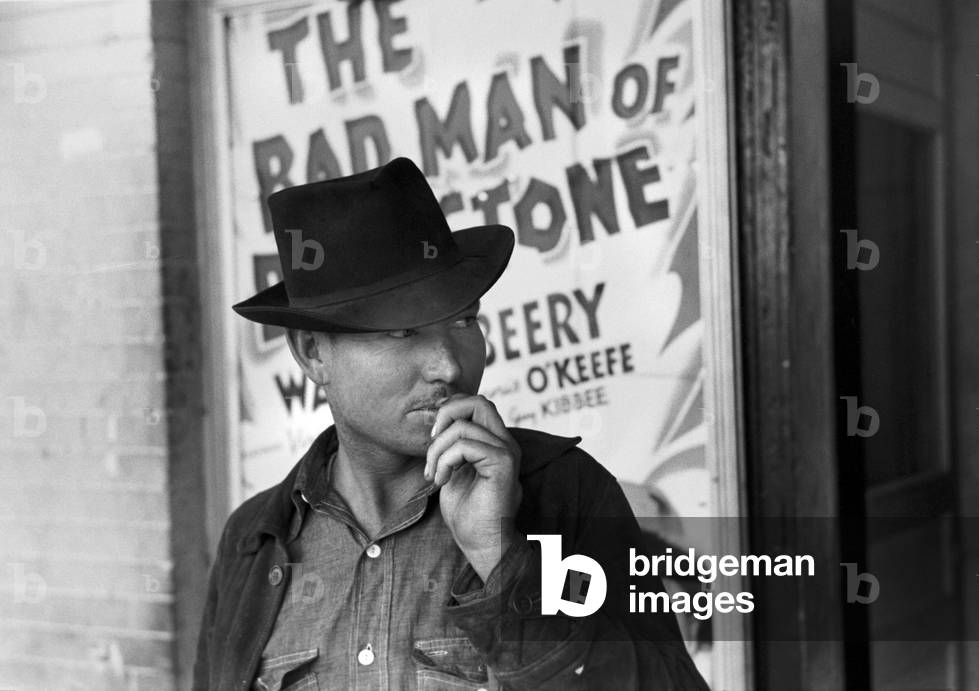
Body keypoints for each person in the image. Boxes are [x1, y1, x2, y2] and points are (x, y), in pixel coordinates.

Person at [193, 157, 710, 690]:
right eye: (402, 332)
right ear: (312, 353)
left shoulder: (563, 495)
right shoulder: (255, 540)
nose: (449, 364)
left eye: (464, 320)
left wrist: (501, 560)